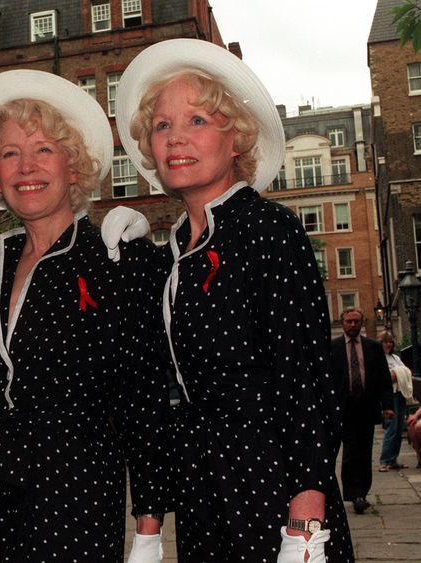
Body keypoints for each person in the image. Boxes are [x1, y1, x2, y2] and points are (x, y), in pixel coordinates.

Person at [105, 38, 354, 562]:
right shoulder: (173, 251)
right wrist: (148, 527)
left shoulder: (269, 230)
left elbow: (306, 378)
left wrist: (305, 522)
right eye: (162, 125)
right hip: (203, 500)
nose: (176, 139)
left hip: (272, 494)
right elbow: (154, 393)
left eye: (197, 121)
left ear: (235, 138)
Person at [0, 69, 175, 563]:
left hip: (74, 500)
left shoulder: (115, 259)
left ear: (73, 165)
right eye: (10, 153)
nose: (26, 167)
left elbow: (144, 403)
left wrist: (148, 530)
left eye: (43, 149)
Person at [332, 308, 394, 514]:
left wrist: (388, 406)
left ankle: (363, 492)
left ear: (361, 322)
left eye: (356, 321)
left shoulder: (373, 348)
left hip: (367, 406)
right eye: (349, 321)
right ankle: (354, 493)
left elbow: (385, 380)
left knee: (365, 451)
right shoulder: (334, 348)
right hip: (345, 407)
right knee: (350, 450)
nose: (352, 325)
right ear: (342, 323)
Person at [377, 330, 414, 472]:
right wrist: (397, 374)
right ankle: (384, 460)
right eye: (385, 341)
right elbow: (386, 377)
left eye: (390, 341)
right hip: (390, 395)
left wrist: (398, 373)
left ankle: (393, 459)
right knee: (391, 428)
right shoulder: (379, 358)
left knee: (398, 428)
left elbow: (405, 371)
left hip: (399, 394)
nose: (388, 344)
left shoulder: (395, 358)